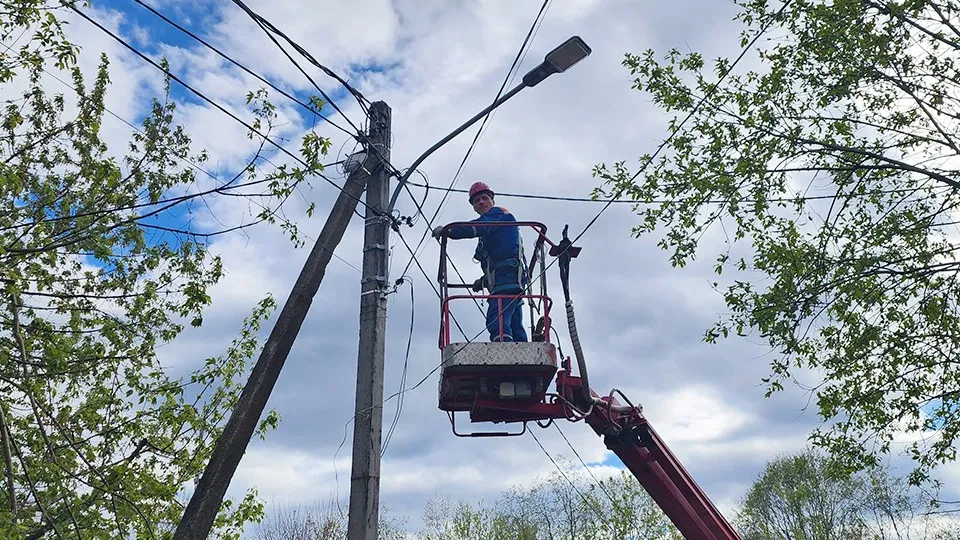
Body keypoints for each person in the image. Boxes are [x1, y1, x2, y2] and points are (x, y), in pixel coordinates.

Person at [433, 182, 528, 342]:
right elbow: (499, 258)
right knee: (513, 322)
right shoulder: (493, 231)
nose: (481, 202)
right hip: (506, 277)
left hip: (507, 276)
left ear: (493, 201)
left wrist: (449, 230)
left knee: (496, 317)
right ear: (474, 207)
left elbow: (477, 227)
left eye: (484, 198)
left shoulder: (498, 214)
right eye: (477, 201)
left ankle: (503, 352)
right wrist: (484, 281)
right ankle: (522, 354)